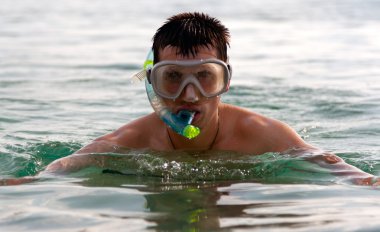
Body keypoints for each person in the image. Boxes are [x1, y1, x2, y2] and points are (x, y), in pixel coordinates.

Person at [43, 12, 378, 185]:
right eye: (172, 77)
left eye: (205, 76)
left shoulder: (263, 134)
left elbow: (336, 169)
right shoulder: (132, 140)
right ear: (152, 85)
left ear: (226, 81)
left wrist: (366, 181)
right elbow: (62, 169)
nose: (190, 95)